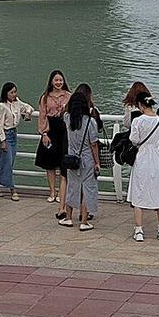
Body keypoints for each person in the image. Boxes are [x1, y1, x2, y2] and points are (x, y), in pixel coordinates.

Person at [125, 90, 159, 242]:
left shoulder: (138, 121)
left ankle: (139, 230)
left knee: (139, 192)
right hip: (157, 157)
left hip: (142, 157)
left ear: (140, 104)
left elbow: (134, 139)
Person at [59, 84, 102, 231]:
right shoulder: (90, 122)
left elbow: (64, 110)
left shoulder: (67, 118)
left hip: (72, 158)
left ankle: (68, 218)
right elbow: (94, 144)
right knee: (88, 188)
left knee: (72, 187)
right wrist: (97, 162)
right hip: (87, 158)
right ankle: (84, 221)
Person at [36, 71, 71, 217]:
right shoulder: (45, 97)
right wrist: (44, 132)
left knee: (64, 161)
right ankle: (52, 191)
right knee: (49, 162)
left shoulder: (69, 95)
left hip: (64, 130)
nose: (58, 82)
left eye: (60, 80)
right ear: (51, 81)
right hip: (50, 130)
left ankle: (64, 192)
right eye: (56, 80)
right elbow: (42, 115)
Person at [0, 82, 35, 200]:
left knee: (7, 162)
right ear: (6, 93)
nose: (13, 94)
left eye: (15, 92)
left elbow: (28, 107)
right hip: (6, 135)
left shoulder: (17, 102)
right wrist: (2, 140)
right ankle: (12, 189)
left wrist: (27, 113)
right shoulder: (2, 106)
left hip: (13, 134)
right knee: (7, 161)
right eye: (11, 92)